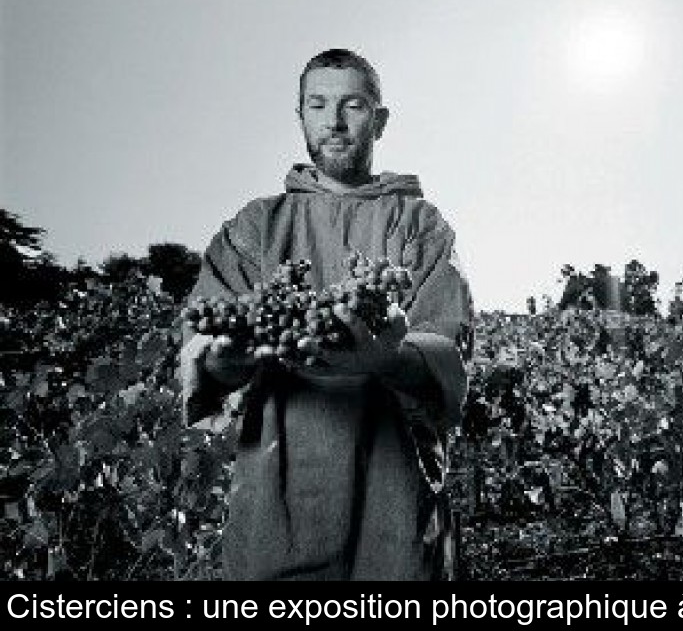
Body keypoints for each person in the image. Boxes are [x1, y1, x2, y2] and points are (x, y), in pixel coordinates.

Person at [179, 49, 473, 580]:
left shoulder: (422, 224)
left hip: (395, 492)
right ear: (300, 117)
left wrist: (392, 357)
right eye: (318, 105)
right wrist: (232, 357)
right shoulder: (255, 226)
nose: (334, 121)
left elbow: (448, 355)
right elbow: (204, 358)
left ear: (379, 120)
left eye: (352, 105)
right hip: (276, 495)